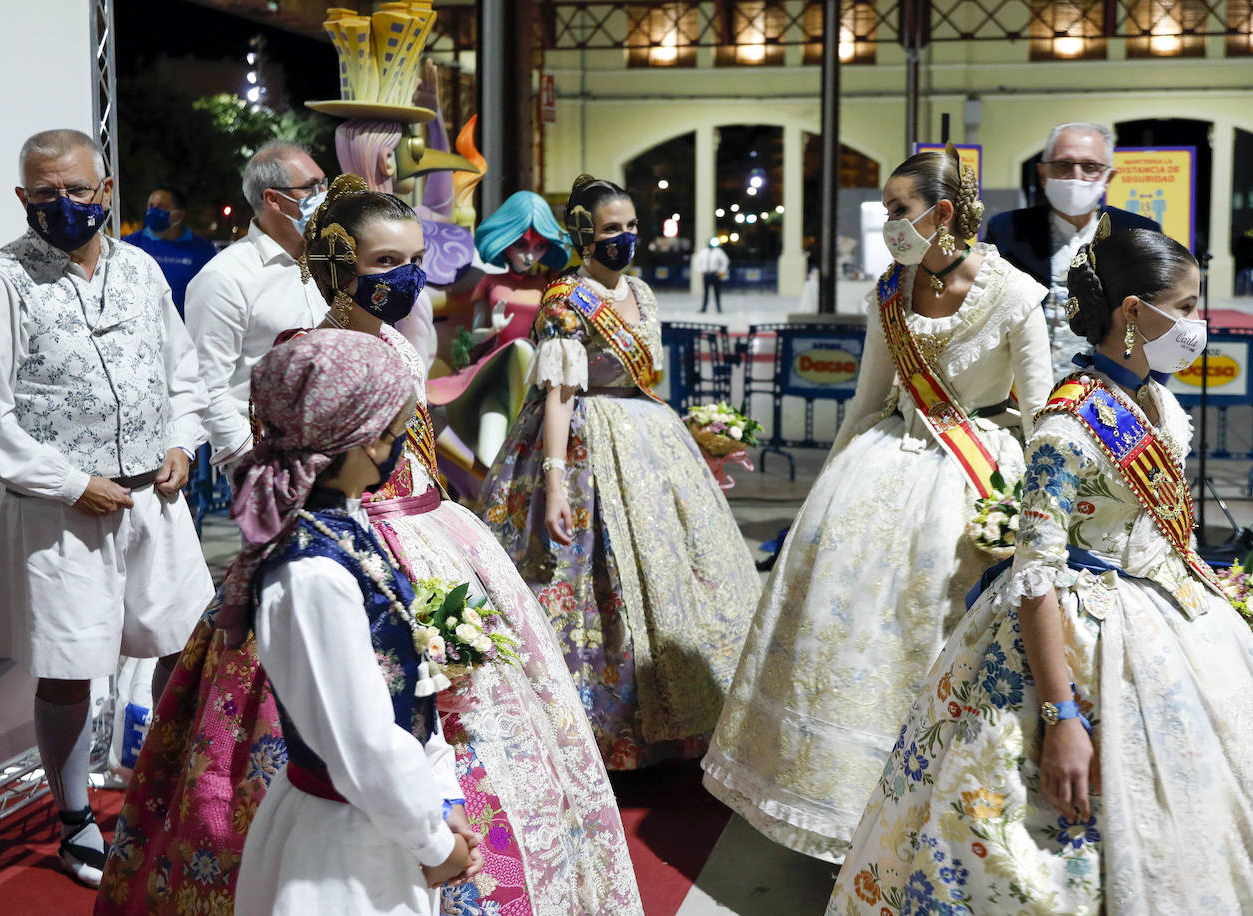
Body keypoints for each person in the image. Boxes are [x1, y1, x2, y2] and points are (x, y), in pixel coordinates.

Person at [97, 175, 642, 916]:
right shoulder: (308, 363)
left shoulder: (402, 347)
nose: (408, 279)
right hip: (355, 543)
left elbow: (415, 446)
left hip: (426, 530)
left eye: (414, 259)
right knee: (346, 717)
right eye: (386, 262)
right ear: (333, 265)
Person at [828, 220, 1253, 914]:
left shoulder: (1155, 400)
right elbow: (1034, 578)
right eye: (1185, 306)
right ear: (1132, 313)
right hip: (1075, 641)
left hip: (1156, 622)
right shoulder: (1066, 426)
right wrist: (1061, 718)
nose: (1197, 322)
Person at [702, 145, 1053, 862]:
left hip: (973, 475)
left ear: (943, 213)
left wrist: (1045, 512)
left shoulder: (1016, 295)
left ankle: (947, 812)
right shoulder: (891, 291)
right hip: (884, 465)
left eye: (898, 210)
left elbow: (1043, 411)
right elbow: (868, 399)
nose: (891, 224)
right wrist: (824, 504)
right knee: (845, 632)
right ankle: (843, 799)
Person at [0, 128, 214, 888]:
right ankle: (73, 821)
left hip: (157, 499)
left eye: (77, 189)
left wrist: (183, 439)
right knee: (70, 670)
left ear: (105, 191)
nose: (63, 204)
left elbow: (184, 373)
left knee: (182, 646)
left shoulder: (139, 269)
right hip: (62, 513)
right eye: (45, 193)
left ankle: (172, 791)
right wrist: (71, 483)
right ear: (22, 197)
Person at [479, 174, 761, 770]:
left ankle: (686, 717)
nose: (626, 238)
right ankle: (603, 736)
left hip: (651, 443)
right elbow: (558, 394)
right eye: (612, 229)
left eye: (632, 227)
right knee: (593, 584)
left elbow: (646, 378)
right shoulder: (566, 300)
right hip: (585, 441)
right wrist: (554, 482)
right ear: (585, 234)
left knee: (682, 575)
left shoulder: (642, 292)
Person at [222, 330, 474, 915]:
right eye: (391, 434)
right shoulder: (310, 573)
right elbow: (360, 743)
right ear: (348, 441)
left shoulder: (345, 525)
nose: (399, 448)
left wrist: (441, 793)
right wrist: (434, 843)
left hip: (385, 818)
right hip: (342, 845)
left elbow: (406, 683)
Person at [185, 142, 328, 467]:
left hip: (338, 462)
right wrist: (252, 464)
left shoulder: (331, 263)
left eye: (325, 183)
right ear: (273, 199)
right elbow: (206, 387)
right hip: (271, 466)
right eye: (311, 187)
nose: (324, 195)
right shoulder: (225, 278)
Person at [984, 122, 1159, 378]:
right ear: (1043, 174)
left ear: (1108, 178)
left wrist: (1144, 386)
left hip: (1112, 391)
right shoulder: (1008, 230)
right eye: (1063, 166)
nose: (1076, 176)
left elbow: (1161, 319)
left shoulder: (1137, 232)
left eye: (1090, 167)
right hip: (1026, 386)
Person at [426, 189, 573, 477]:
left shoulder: (549, 285)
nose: (529, 255)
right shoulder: (491, 283)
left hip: (537, 382)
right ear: (504, 241)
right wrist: (491, 329)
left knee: (522, 350)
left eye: (539, 247)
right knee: (488, 456)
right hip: (493, 379)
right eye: (520, 245)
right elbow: (470, 341)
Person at [120, 185, 216, 318]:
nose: (153, 211)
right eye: (151, 206)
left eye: (161, 207)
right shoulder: (129, 244)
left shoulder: (203, 250)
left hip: (186, 330)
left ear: (179, 214)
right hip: (142, 328)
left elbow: (211, 292)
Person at [692, 238, 730, 313]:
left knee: (717, 292)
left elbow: (725, 261)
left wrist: (721, 271)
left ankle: (719, 308)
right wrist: (700, 270)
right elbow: (696, 261)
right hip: (707, 275)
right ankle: (704, 308)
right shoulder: (703, 252)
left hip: (715, 274)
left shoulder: (719, 252)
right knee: (706, 293)